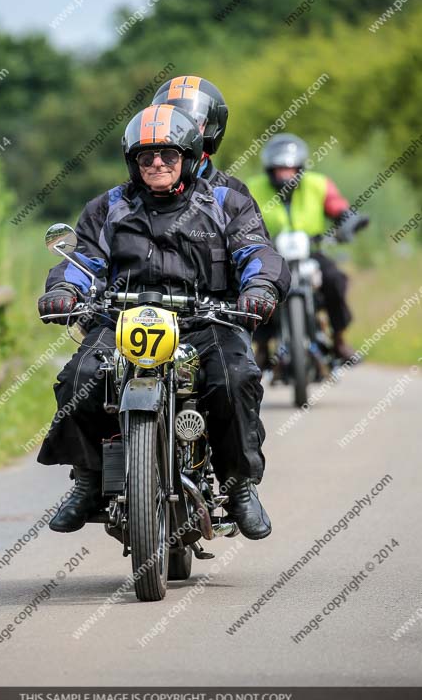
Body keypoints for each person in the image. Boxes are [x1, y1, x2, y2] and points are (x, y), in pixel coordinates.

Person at [37, 104, 290, 540]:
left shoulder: (226, 200)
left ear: (189, 157)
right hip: (122, 318)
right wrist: (64, 290)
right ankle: (87, 480)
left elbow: (255, 251)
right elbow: (83, 260)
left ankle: (239, 486)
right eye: (146, 156)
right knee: (80, 375)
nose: (156, 163)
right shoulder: (109, 207)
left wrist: (260, 288)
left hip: (205, 320)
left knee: (234, 378)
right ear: (132, 161)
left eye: (168, 155)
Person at [247, 133, 368, 362]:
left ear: (300, 168)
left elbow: (337, 205)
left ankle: (340, 339)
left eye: (290, 168)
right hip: (270, 252)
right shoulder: (253, 188)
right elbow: (239, 214)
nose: (285, 173)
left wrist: (348, 219)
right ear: (270, 169)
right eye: (279, 169)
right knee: (253, 285)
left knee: (335, 279)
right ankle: (261, 347)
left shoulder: (318, 184)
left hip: (311, 250)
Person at [152, 75, 268, 231]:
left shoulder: (233, 191)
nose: (183, 132)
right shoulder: (130, 196)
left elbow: (257, 248)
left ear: (211, 128)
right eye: (174, 123)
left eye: (195, 122)